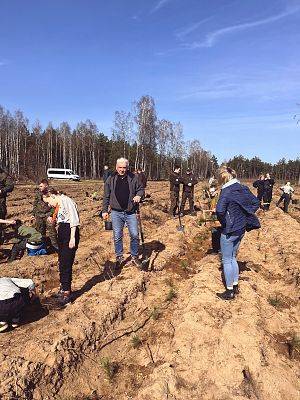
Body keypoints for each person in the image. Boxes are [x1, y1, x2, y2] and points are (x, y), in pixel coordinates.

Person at [216, 166, 260, 300]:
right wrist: (245, 214)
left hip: (230, 230)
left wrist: (226, 222)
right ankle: (235, 285)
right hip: (241, 229)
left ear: (223, 178)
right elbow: (255, 202)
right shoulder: (243, 188)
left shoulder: (226, 191)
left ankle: (229, 291)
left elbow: (219, 211)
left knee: (227, 260)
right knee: (233, 257)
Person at [102, 158, 144, 268]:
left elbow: (141, 189)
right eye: (120, 167)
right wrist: (104, 210)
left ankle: (134, 256)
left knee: (135, 235)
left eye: (124, 167)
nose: (122, 170)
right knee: (117, 236)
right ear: (116, 167)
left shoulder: (134, 178)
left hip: (131, 212)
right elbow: (106, 196)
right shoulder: (110, 178)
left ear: (127, 167)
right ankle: (119, 257)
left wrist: (139, 195)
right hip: (116, 212)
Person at [43, 188, 80, 305]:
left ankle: (67, 293)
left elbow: (74, 219)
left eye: (48, 201)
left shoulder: (67, 201)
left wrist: (72, 238)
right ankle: (63, 288)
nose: (49, 205)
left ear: (52, 196)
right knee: (62, 262)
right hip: (63, 231)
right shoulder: (59, 205)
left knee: (66, 263)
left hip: (70, 233)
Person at [31, 179, 58, 252]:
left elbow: (56, 205)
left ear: (46, 185)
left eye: (41, 186)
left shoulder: (51, 193)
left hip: (48, 215)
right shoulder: (38, 193)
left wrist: (52, 215)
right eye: (39, 186)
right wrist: (33, 214)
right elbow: (35, 204)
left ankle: (56, 248)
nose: (40, 187)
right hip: (39, 215)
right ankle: (43, 248)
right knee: (40, 233)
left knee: (52, 233)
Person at [0, 167, 14, 244]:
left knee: (1, 218)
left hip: (0, 201)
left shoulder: (4, 175)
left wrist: (1, 190)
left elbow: (10, 186)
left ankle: (2, 238)